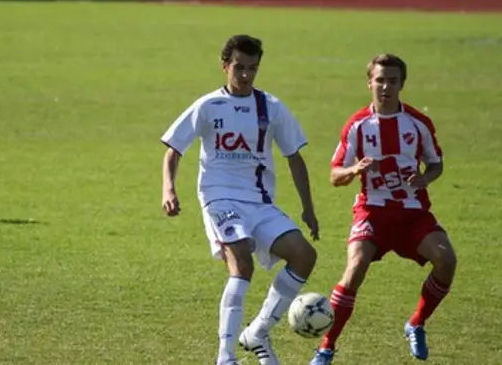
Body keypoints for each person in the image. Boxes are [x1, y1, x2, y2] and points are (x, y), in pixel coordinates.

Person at [160, 34, 320, 365]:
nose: (245, 75)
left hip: (260, 202)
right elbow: (174, 150)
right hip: (219, 198)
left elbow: (294, 157)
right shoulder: (208, 106)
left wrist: (307, 207)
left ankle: (257, 332)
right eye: (239, 67)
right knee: (242, 263)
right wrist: (169, 189)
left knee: (304, 255)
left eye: (252, 68)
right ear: (225, 66)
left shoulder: (271, 107)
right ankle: (225, 356)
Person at [309, 54, 457, 364]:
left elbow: (436, 163)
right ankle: (326, 347)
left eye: (392, 81)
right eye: (380, 80)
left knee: (446, 260)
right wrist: (355, 170)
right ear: (369, 82)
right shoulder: (357, 126)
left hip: (412, 213)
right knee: (354, 270)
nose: (385, 86)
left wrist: (425, 177)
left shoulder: (418, 123)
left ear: (402, 84)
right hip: (372, 211)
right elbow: (334, 175)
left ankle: (415, 323)